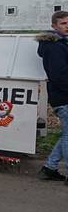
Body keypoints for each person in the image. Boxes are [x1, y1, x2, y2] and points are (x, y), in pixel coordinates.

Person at [36, 10, 68, 182]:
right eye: (63, 23)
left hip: (61, 95)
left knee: (67, 134)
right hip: (63, 96)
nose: (67, 26)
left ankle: (50, 167)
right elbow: (59, 75)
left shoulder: (62, 44)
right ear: (54, 26)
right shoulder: (55, 46)